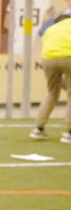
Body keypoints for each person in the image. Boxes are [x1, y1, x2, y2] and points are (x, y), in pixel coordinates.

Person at [30, 9, 71, 143]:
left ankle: (39, 128)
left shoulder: (50, 29)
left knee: (52, 93)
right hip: (68, 57)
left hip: (48, 60)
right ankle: (69, 133)